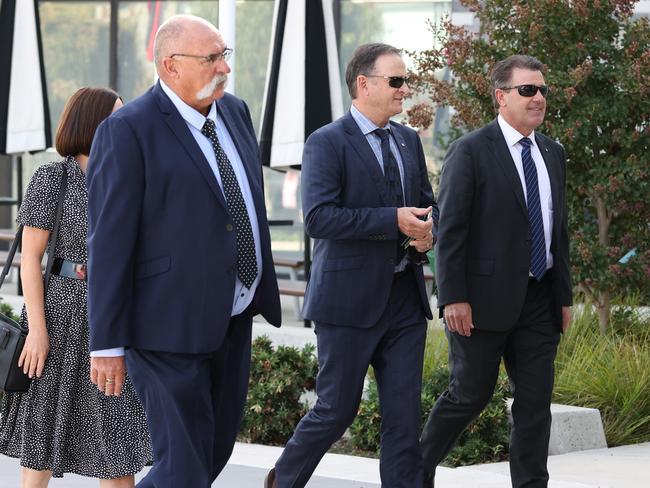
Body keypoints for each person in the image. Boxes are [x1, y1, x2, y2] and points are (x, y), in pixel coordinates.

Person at [85, 14, 281, 488]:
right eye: (211, 58)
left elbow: (242, 202)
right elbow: (108, 243)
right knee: (185, 466)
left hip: (233, 315)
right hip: (163, 327)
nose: (224, 68)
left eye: (224, 55)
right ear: (170, 66)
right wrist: (106, 343)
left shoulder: (235, 112)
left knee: (211, 453)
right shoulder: (128, 130)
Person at [265, 43, 438, 488]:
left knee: (403, 419)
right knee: (336, 410)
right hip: (346, 304)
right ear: (364, 84)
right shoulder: (326, 142)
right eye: (396, 81)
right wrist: (392, 220)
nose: (405, 89)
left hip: (405, 301)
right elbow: (320, 218)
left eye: (406, 80)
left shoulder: (408, 140)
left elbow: (425, 206)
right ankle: (282, 481)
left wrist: (427, 231)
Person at [419, 54, 573, 488]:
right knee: (469, 396)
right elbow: (450, 231)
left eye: (543, 89)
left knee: (534, 404)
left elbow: (558, 230)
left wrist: (563, 297)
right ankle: (414, 471)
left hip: (540, 301)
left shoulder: (552, 152)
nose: (539, 97)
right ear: (501, 97)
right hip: (481, 302)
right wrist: (453, 296)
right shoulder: (470, 150)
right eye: (528, 89)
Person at [0, 87, 152, 487]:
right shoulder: (53, 175)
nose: (125, 124)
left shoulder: (128, 177)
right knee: (41, 444)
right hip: (61, 317)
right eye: (116, 116)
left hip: (115, 319)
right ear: (92, 122)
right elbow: (30, 259)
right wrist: (37, 330)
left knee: (118, 448)